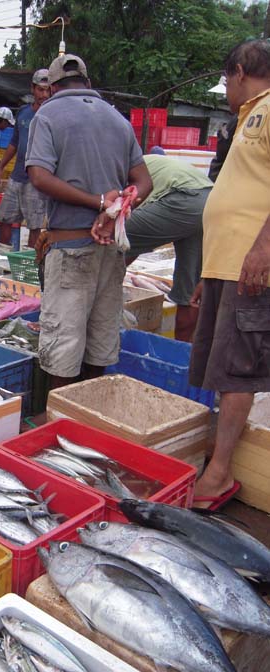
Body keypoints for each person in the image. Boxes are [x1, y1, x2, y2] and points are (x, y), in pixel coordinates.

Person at [25, 53, 152, 391]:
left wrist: (99, 203)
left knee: (63, 344)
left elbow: (38, 176)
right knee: (101, 337)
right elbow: (144, 182)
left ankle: (62, 414)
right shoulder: (118, 119)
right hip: (111, 248)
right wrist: (114, 209)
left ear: (52, 87)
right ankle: (88, 407)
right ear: (88, 83)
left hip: (70, 248)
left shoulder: (47, 115)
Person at [189, 39, 270, 506]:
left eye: (225, 80)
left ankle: (218, 473)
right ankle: (217, 457)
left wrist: (263, 248)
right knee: (221, 367)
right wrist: (209, 271)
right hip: (227, 265)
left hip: (251, 266)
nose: (224, 90)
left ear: (240, 71)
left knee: (239, 369)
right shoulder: (247, 116)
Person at [125, 153, 213, 341]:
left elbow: (124, 239)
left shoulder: (125, 169)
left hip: (183, 198)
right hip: (210, 201)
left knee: (109, 236)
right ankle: (183, 349)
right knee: (188, 294)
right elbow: (138, 242)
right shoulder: (146, 162)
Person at [0, 69, 51, 249]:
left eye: (48, 90)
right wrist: (0, 167)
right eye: (40, 89)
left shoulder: (53, 115)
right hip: (16, 177)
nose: (44, 94)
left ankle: (30, 260)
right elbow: (14, 143)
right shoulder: (24, 113)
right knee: (4, 218)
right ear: (33, 89)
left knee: (34, 226)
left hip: (37, 180)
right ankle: (3, 255)